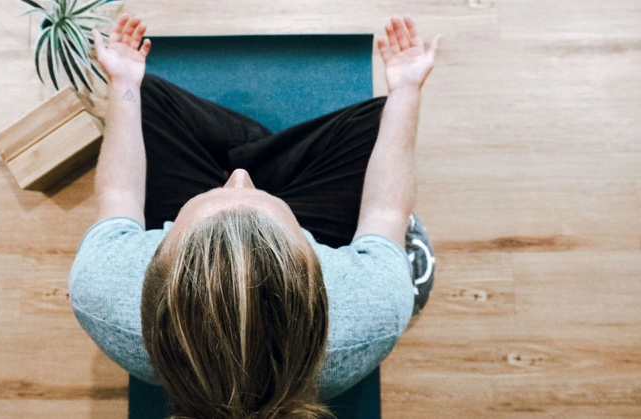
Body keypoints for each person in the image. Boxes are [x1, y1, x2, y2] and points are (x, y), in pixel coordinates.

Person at [69, 13, 440, 419]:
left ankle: (255, 145)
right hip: (331, 231)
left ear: (153, 259)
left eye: (223, 191)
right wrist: (406, 90)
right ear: (317, 266)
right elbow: (385, 211)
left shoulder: (103, 289)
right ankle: (268, 151)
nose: (240, 179)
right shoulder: (371, 310)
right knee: (377, 121)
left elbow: (119, 193)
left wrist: (122, 82)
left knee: (147, 96)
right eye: (260, 198)